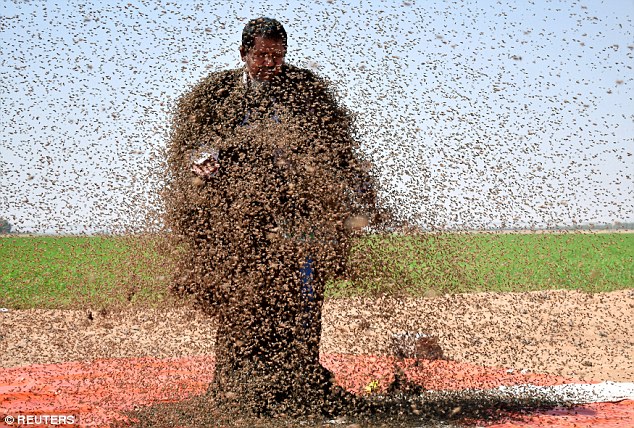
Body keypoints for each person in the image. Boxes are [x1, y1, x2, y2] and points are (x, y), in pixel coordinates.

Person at [164, 17, 381, 416]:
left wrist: (364, 192)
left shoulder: (307, 90)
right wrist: (199, 161)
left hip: (299, 213)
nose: (270, 63)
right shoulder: (216, 94)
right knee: (243, 299)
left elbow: (339, 146)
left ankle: (302, 385)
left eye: (277, 56)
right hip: (238, 218)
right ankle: (236, 391)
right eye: (262, 55)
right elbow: (189, 144)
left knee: (303, 297)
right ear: (243, 53)